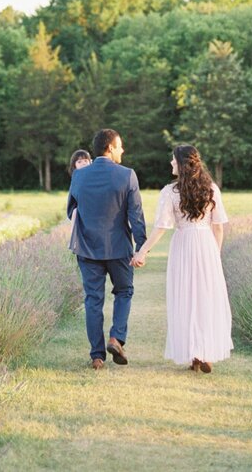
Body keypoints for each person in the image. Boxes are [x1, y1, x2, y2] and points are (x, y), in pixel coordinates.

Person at [132, 143, 232, 373]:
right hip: (206, 245)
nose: (170, 163)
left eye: (173, 160)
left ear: (182, 164)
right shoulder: (211, 189)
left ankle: (194, 353)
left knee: (185, 297)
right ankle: (205, 351)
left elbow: (161, 227)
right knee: (205, 298)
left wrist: (143, 251)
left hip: (184, 245)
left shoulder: (170, 192)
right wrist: (215, 256)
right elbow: (218, 228)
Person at [65, 129, 147, 370]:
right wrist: (141, 247)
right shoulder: (127, 175)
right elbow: (136, 216)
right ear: (110, 147)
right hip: (119, 248)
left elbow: (71, 210)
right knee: (124, 292)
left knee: (93, 300)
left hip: (88, 249)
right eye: (120, 146)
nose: (122, 150)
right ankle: (116, 337)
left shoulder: (79, 177)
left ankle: (97, 356)